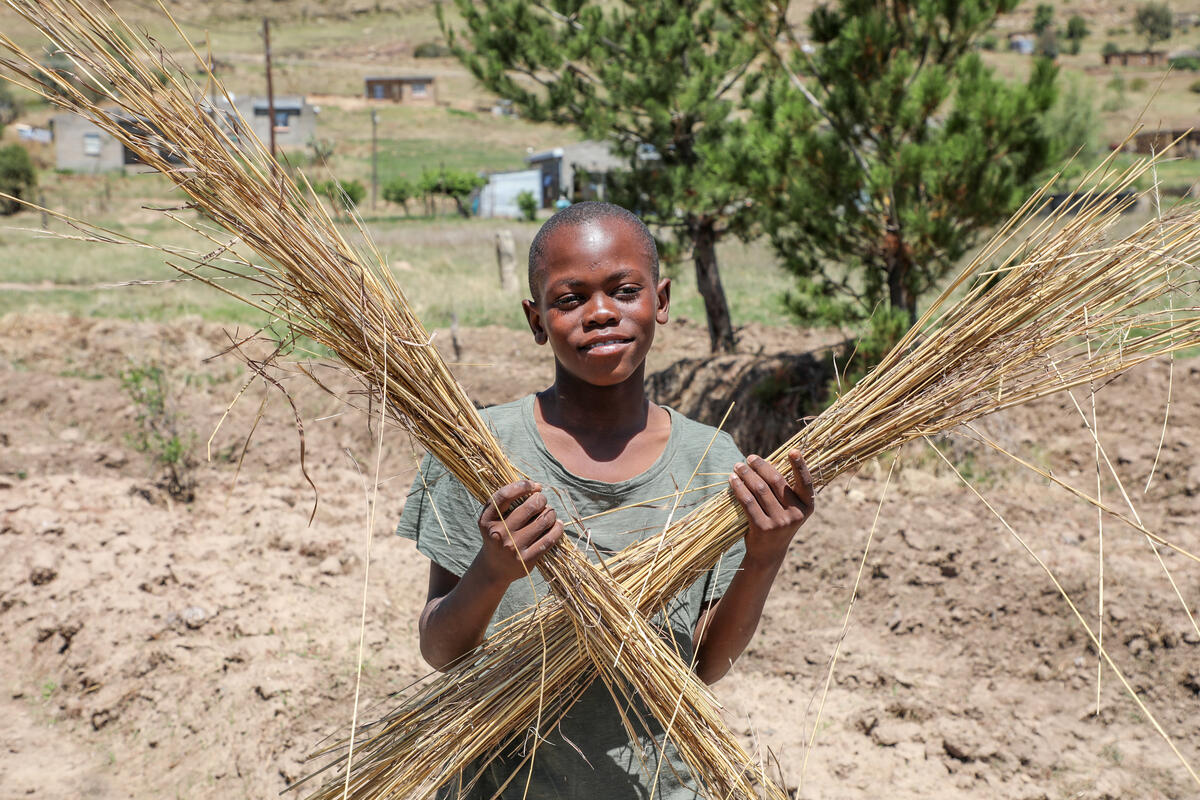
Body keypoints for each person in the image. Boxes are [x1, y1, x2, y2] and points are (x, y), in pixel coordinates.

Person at [396, 201, 815, 799]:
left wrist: (767, 554)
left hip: (659, 785)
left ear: (661, 301)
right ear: (536, 319)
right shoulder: (480, 452)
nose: (600, 314)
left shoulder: (712, 462)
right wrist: (492, 572)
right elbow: (440, 650)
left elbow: (704, 668)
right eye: (569, 299)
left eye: (623, 291)